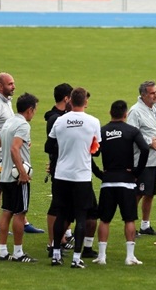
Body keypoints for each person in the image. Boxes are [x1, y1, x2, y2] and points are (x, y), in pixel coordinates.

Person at [0, 72, 43, 234]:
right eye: (10, 84)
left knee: (9, 187)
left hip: (6, 152)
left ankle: (23, 221)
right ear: (0, 86)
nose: (13, 86)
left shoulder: (7, 102)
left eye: (13, 83)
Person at [92, 100, 149, 265]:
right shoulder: (132, 131)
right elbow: (145, 149)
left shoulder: (102, 131)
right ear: (125, 114)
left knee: (104, 220)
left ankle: (102, 256)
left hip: (108, 182)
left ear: (110, 113)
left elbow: (90, 153)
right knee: (129, 219)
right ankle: (130, 256)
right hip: (127, 182)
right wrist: (137, 172)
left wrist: (99, 174)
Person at [48, 87, 101, 269]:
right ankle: (76, 258)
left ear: (70, 100)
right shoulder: (93, 122)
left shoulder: (60, 121)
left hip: (62, 174)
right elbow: (96, 149)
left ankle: (56, 254)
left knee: (61, 214)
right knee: (80, 216)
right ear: (85, 101)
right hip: (81, 176)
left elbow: (50, 144)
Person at [0, 93, 39, 263]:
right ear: (30, 110)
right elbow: (14, 149)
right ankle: (18, 253)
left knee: (6, 213)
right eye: (35, 110)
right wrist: (23, 173)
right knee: (20, 213)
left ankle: (2, 251)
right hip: (18, 178)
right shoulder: (23, 125)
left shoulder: (8, 122)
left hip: (4, 177)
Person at [127, 80, 156, 236]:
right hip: (142, 160)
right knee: (138, 194)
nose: (155, 95)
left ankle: (145, 225)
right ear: (143, 95)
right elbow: (131, 133)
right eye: (152, 93)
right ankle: (130, 225)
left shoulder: (154, 108)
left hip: (154, 159)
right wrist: (149, 142)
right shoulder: (135, 111)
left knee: (150, 193)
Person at [43, 83, 75, 256]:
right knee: (57, 204)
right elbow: (53, 146)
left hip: (63, 165)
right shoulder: (55, 119)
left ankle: (62, 238)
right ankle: (52, 242)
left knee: (65, 203)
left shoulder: (59, 116)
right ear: (66, 98)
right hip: (60, 167)